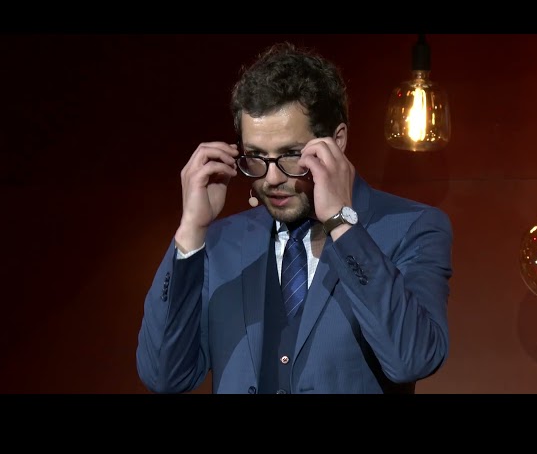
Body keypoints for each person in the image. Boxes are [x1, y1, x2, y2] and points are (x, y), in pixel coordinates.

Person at [136, 41, 453, 394]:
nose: (271, 178)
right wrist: (190, 230)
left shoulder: (413, 227)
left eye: (290, 154)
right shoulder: (220, 242)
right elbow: (164, 375)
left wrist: (341, 222)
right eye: (256, 156)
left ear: (337, 140)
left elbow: (413, 359)